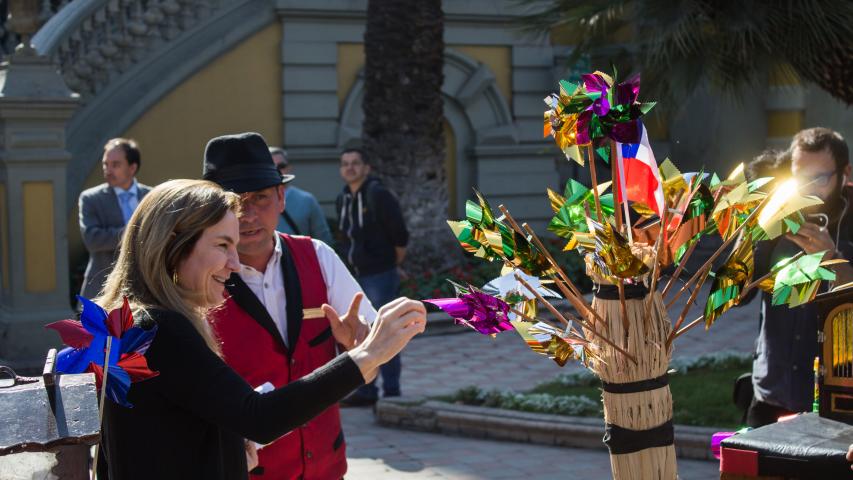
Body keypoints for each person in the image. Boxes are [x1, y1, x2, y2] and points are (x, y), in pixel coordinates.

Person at [98, 179, 426, 480]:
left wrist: (228, 445)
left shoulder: (136, 323)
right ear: (175, 246)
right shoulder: (158, 328)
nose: (234, 263)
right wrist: (367, 354)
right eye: (222, 245)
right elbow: (259, 417)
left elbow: (169, 431)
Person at [202, 133, 377, 479]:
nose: (248, 214)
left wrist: (355, 348)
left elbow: (369, 348)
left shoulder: (318, 257)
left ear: (282, 198)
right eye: (235, 202)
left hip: (325, 463)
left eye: (261, 198)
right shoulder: (198, 278)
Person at [744, 127, 853, 428]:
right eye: (799, 177)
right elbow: (740, 297)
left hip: (833, 402)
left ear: (845, 173)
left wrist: (832, 258)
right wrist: (745, 237)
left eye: (820, 178)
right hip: (769, 394)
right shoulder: (775, 213)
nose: (808, 188)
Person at [336, 148, 409, 404]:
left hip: (379, 274)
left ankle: (391, 392)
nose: (350, 168)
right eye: (345, 164)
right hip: (356, 276)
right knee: (362, 333)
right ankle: (366, 389)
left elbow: (400, 235)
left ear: (366, 167)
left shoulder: (378, 194)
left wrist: (391, 263)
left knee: (385, 331)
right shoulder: (343, 198)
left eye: (356, 163)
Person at [78, 138, 151, 298]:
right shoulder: (91, 198)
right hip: (103, 290)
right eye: (105, 164)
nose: (108, 170)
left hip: (144, 289)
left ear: (132, 168)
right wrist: (130, 233)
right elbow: (92, 240)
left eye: (115, 165)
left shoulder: (151, 196)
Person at [270, 147, 335, 246]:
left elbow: (323, 240)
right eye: (271, 166)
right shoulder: (253, 202)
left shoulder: (307, 200)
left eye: (281, 166)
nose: (277, 170)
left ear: (289, 168)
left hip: (299, 260)